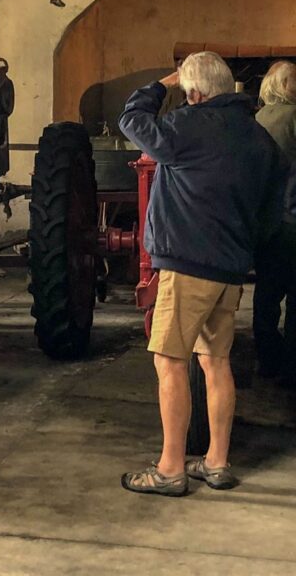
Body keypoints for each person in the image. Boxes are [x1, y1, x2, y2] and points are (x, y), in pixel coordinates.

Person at [117, 51, 286, 496]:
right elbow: (272, 212)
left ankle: (170, 468)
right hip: (230, 269)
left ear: (193, 92)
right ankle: (216, 461)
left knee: (170, 362)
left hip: (186, 266)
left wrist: (160, 85)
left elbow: (131, 121)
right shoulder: (259, 138)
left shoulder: (187, 126)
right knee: (216, 363)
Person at [253, 60, 296, 383]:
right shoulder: (294, 117)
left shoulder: (257, 119)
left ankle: (267, 359)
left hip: (266, 223)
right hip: (292, 219)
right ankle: (291, 367)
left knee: (266, 296)